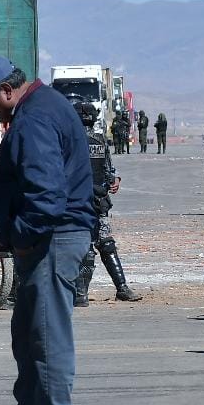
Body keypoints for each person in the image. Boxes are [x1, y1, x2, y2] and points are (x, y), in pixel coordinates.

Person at [0, 55, 95, 405]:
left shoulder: (35, 119)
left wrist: (22, 236)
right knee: (27, 334)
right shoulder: (41, 108)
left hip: (51, 239)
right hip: (48, 237)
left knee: (46, 336)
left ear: (6, 90)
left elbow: (47, 193)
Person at [74, 101, 142, 306]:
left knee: (86, 247)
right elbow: (110, 172)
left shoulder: (71, 141)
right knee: (106, 244)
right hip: (99, 201)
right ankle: (121, 287)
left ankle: (80, 294)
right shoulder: (100, 140)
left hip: (79, 202)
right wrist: (114, 181)